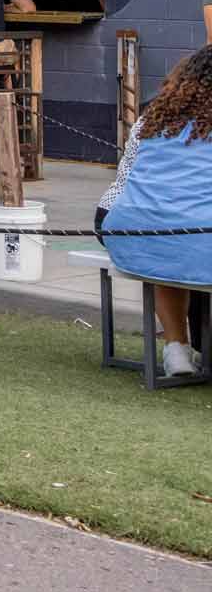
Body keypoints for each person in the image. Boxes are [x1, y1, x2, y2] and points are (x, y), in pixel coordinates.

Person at [98, 45, 212, 378]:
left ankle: (176, 347)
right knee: (184, 239)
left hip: (127, 230)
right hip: (191, 236)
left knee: (171, 237)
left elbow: (124, 178)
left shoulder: (152, 119)